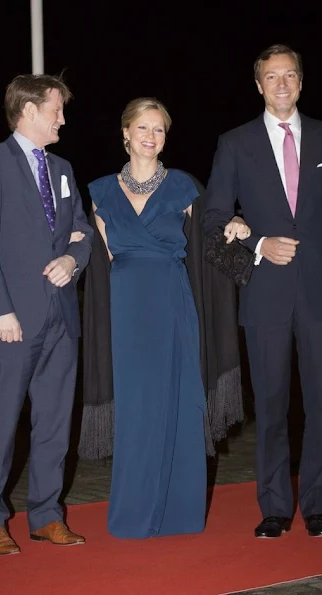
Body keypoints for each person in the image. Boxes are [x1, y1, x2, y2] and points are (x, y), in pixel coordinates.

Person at [202, 44, 322, 539]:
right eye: (271, 76)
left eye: (289, 75)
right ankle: (274, 507)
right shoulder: (234, 143)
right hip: (266, 295)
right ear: (258, 84)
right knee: (272, 405)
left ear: (301, 82)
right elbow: (214, 219)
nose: (281, 84)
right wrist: (258, 243)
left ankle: (317, 506)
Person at [78, 97, 244, 539]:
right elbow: (100, 259)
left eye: (160, 130)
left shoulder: (185, 187)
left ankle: (180, 513)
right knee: (136, 409)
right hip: (126, 308)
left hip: (174, 304)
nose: (152, 137)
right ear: (126, 133)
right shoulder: (99, 192)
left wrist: (238, 231)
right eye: (143, 128)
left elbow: (209, 246)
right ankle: (133, 515)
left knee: (178, 404)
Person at [0, 74, 94, 555]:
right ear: (30, 111)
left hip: (61, 318)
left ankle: (46, 516)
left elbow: (81, 231)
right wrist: (0, 311)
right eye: (56, 109)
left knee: (56, 422)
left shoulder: (61, 166)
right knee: (1, 420)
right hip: (12, 319)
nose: (63, 118)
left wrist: (71, 261)